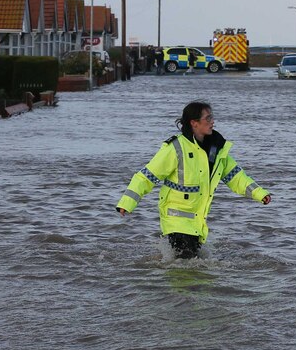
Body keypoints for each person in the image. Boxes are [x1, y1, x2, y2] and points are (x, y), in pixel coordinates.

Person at [116, 101, 272, 259]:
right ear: (194, 123)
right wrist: (126, 203)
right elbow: (146, 177)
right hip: (175, 221)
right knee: (187, 269)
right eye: (208, 118)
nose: (213, 122)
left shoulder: (216, 149)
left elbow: (236, 176)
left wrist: (259, 194)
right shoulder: (175, 148)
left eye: (212, 117)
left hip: (197, 222)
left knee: (193, 268)